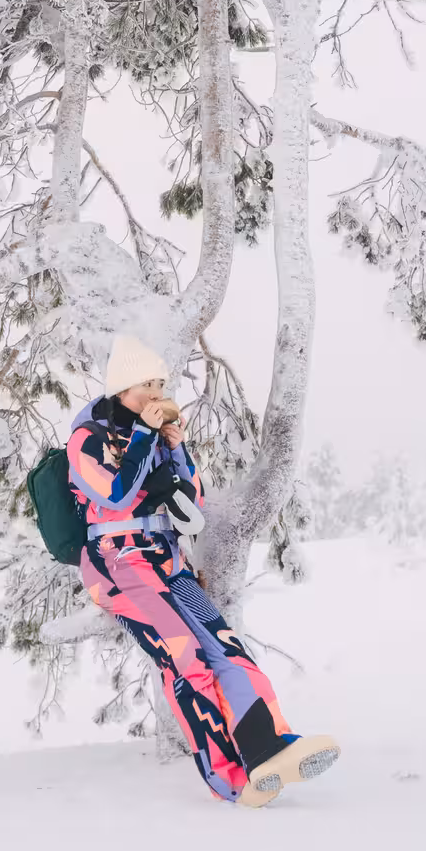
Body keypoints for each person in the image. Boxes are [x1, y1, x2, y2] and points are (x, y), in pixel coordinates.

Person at [67, 333, 340, 807]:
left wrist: (175, 448)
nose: (155, 392)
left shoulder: (150, 436)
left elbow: (189, 497)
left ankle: (269, 748)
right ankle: (230, 777)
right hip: (118, 564)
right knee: (187, 659)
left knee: (226, 649)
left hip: (166, 559)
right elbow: (114, 494)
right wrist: (146, 437)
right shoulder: (87, 438)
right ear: (121, 389)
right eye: (145, 384)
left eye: (160, 382)